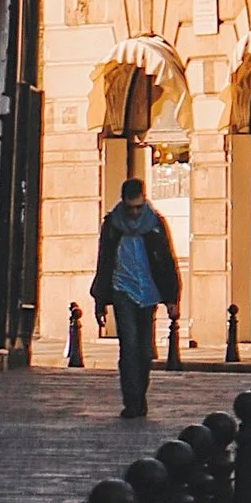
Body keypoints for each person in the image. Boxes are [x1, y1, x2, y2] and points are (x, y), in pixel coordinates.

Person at [91, 172, 182, 419]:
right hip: (123, 291)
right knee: (128, 346)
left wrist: (173, 298)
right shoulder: (112, 225)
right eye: (130, 208)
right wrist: (100, 301)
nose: (134, 214)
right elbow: (105, 261)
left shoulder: (154, 223)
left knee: (144, 351)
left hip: (149, 293)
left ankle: (140, 396)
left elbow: (166, 259)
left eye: (138, 208)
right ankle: (131, 402)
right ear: (123, 202)